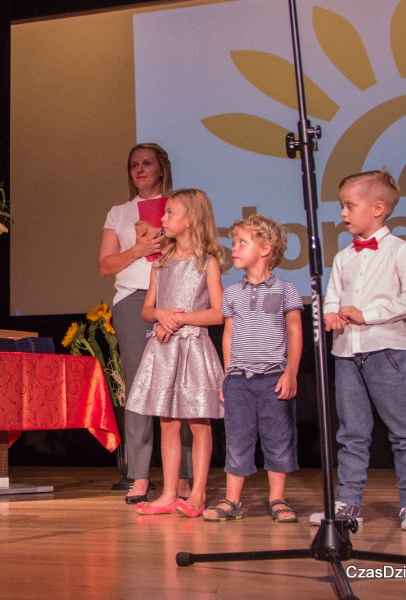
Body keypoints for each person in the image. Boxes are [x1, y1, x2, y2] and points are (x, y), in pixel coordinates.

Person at [309, 169, 406, 531]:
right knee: (352, 431)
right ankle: (347, 503)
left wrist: (368, 315)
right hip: (347, 353)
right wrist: (331, 314)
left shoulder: (399, 250)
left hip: (386, 349)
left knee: (403, 429)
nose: (342, 213)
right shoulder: (345, 257)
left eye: (349, 205)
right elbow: (331, 296)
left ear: (378, 208)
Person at [99, 143, 193, 504]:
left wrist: (166, 236)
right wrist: (138, 249)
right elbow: (106, 265)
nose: (139, 170)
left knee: (178, 385)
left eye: (147, 164)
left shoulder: (179, 208)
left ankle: (182, 476)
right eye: (134, 165)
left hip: (175, 296)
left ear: (161, 169)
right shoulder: (119, 213)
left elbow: (195, 251)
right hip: (132, 300)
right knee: (139, 386)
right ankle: (139, 475)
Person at [126, 188, 224, 517]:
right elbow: (147, 310)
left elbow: (217, 313)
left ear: (191, 220)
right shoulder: (161, 265)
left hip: (194, 347)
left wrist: (177, 318)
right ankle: (168, 493)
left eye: (170, 213)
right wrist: (161, 315)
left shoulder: (207, 263)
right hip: (164, 349)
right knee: (167, 422)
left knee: (198, 422)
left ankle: (197, 493)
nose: (162, 219)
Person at [203, 215, 303, 523]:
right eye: (233, 242)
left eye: (241, 242)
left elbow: (295, 332)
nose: (233, 248)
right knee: (238, 437)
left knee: (277, 436)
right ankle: (233, 500)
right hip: (239, 380)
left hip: (273, 377)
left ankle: (277, 498)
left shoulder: (286, 289)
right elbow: (229, 334)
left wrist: (291, 372)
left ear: (265, 248)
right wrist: (227, 374)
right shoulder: (232, 293)